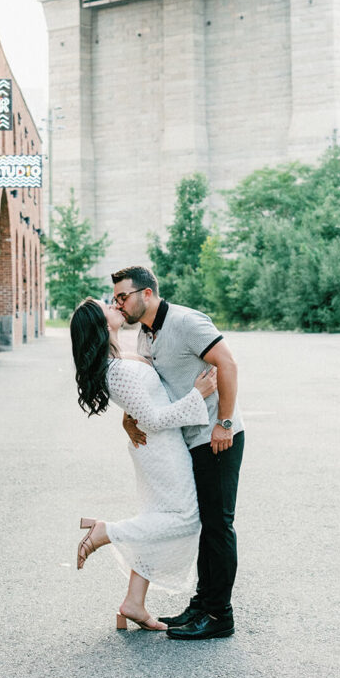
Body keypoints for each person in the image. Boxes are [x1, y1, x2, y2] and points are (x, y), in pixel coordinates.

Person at [69, 297, 219, 632]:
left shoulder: (119, 357)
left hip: (158, 445)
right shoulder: (116, 369)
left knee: (159, 520)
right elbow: (151, 418)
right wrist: (199, 394)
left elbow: (143, 402)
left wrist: (127, 416)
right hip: (160, 450)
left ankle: (134, 603)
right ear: (99, 322)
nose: (114, 304)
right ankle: (107, 531)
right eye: (106, 304)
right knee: (185, 518)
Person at [111, 266, 244, 641]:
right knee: (205, 523)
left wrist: (226, 422)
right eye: (116, 299)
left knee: (218, 525)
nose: (119, 304)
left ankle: (220, 615)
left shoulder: (186, 321)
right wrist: (127, 417)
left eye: (123, 296)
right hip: (188, 438)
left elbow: (228, 364)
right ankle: (203, 604)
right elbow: (150, 384)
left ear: (147, 293)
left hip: (218, 437)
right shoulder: (145, 337)